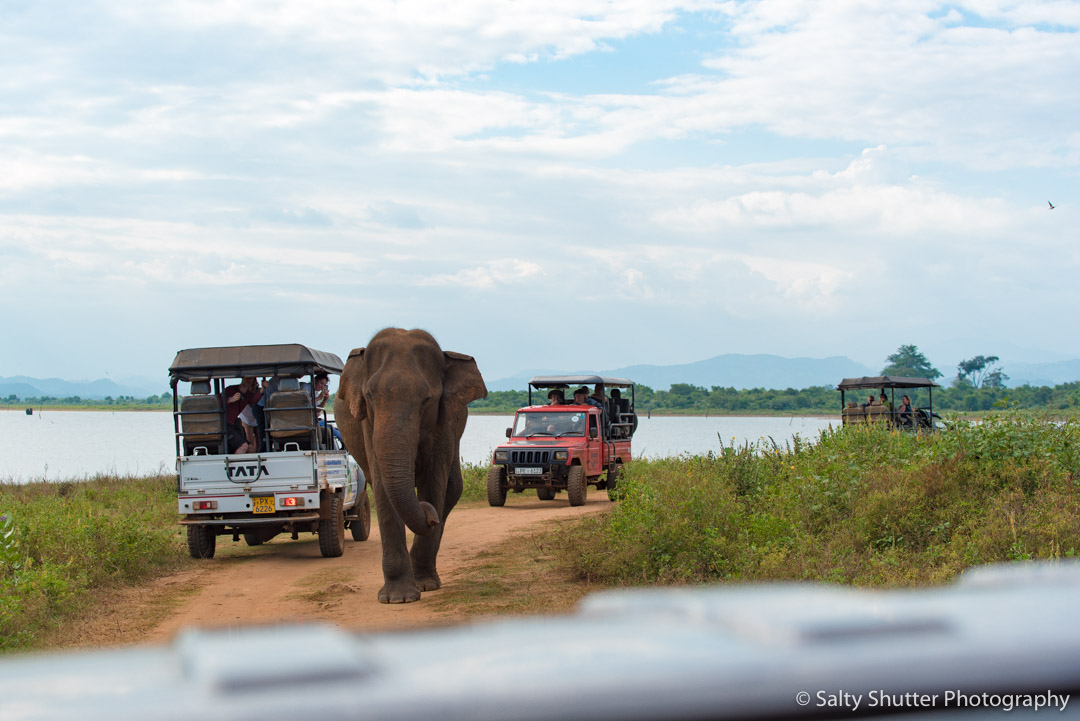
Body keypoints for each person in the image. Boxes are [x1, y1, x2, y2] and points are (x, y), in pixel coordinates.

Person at [223, 376, 262, 453]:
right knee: (244, 446)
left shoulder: (248, 394)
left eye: (250, 378)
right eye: (246, 377)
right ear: (242, 378)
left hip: (233, 424)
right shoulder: (230, 389)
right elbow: (218, 401)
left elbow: (254, 400)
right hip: (224, 424)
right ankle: (232, 465)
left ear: (253, 381)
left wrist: (262, 390)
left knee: (251, 449)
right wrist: (230, 399)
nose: (248, 379)